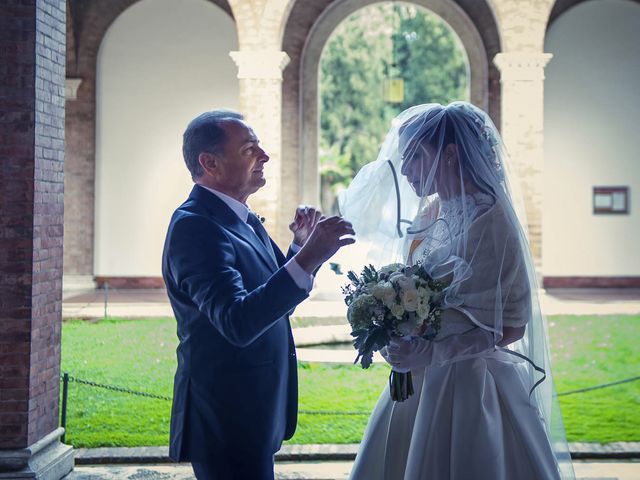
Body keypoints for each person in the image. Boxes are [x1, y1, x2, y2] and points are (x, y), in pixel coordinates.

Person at [339, 102, 575, 479]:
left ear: (449, 155)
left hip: (472, 387)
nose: (406, 169)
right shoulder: (431, 212)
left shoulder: (494, 221)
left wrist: (434, 350)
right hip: (418, 383)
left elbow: (513, 326)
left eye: (415, 156)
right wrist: (393, 330)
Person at [162, 110, 354, 480]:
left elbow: (266, 298)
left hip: (253, 409)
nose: (264, 156)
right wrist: (312, 256)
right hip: (226, 416)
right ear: (210, 163)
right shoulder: (196, 227)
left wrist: (298, 250)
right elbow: (237, 321)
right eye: (250, 149)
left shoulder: (241, 217)